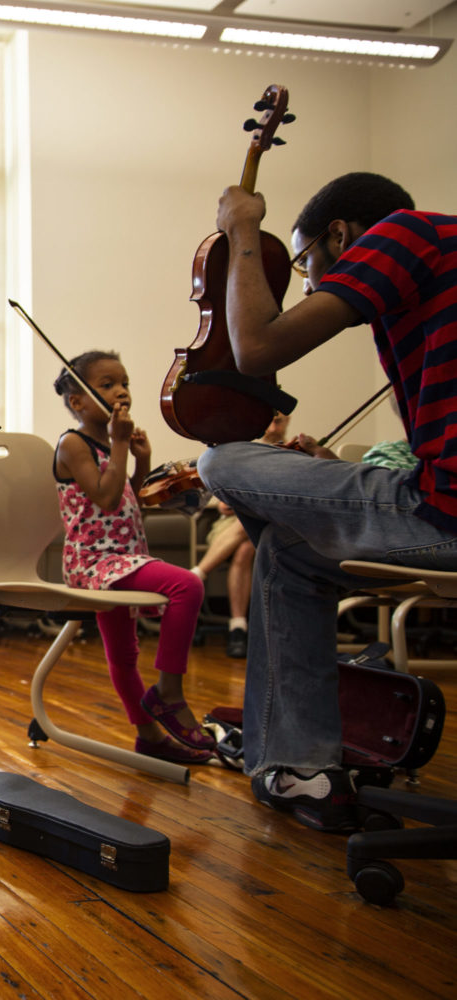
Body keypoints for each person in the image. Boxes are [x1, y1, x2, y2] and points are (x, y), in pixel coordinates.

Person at [195, 171, 456, 833]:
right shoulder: (435, 273)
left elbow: (257, 348)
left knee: (220, 459)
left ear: (342, 234)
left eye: (307, 260)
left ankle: (298, 761)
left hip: (447, 514)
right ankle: (303, 773)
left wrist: (244, 228)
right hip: (436, 501)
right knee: (287, 551)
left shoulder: (405, 231)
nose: (308, 284)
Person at [53, 351, 214, 764]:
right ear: (78, 402)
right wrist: (121, 443)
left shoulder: (111, 444)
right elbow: (105, 500)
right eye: (107, 384)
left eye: (124, 382)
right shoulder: (73, 444)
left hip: (123, 556)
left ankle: (149, 737)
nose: (121, 390)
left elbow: (129, 506)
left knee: (124, 655)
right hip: (93, 562)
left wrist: (139, 461)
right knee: (187, 584)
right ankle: (168, 691)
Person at [189, 412, 293, 658]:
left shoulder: (291, 455)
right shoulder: (243, 451)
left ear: (287, 421)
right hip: (230, 529)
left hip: (269, 529)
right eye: (269, 418)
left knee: (248, 544)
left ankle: (197, 577)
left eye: (279, 420)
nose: (273, 425)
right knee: (247, 531)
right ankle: (237, 626)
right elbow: (222, 502)